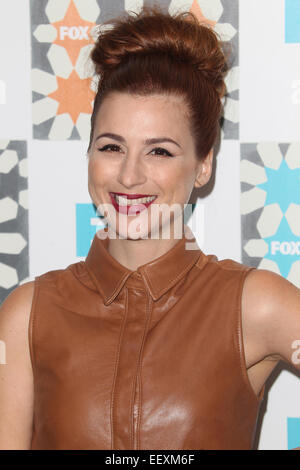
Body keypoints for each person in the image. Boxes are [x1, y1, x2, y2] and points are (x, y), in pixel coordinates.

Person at [1, 5, 300, 451]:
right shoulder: (29, 314)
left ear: (203, 165)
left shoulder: (254, 306)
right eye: (111, 146)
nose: (128, 175)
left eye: (159, 151)